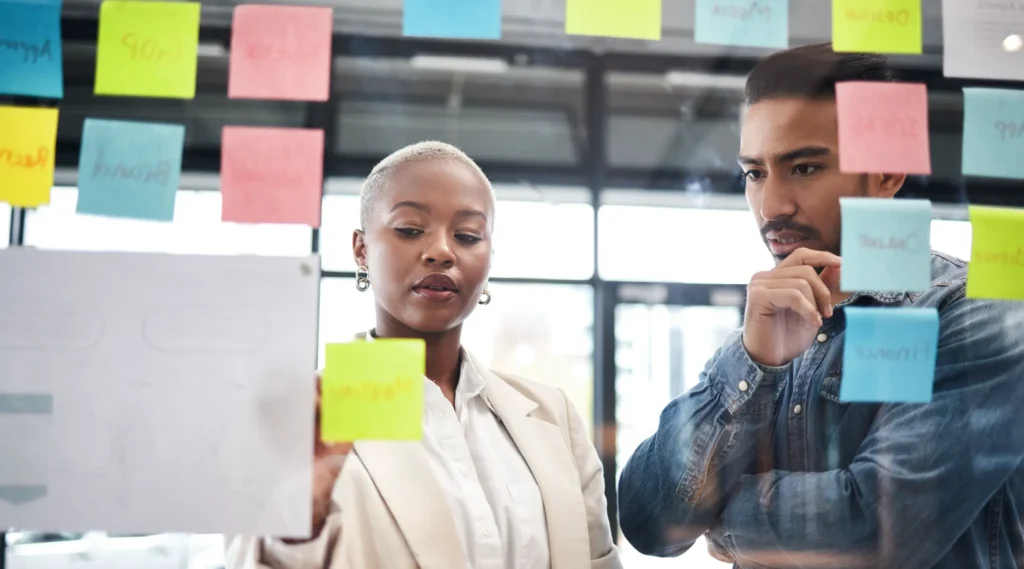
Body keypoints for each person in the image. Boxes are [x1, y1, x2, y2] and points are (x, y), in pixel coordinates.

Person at [617, 43, 1024, 568]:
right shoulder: (767, 329)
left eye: (803, 168)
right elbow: (648, 522)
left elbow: (876, 528)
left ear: (886, 174)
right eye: (754, 173)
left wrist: (716, 517)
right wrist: (752, 361)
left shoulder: (973, 315)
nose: (771, 206)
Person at [226, 141, 621, 569]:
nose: (441, 252)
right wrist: (295, 527)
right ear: (361, 250)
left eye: (468, 235)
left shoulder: (553, 415)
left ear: (489, 258)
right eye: (410, 229)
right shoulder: (307, 416)